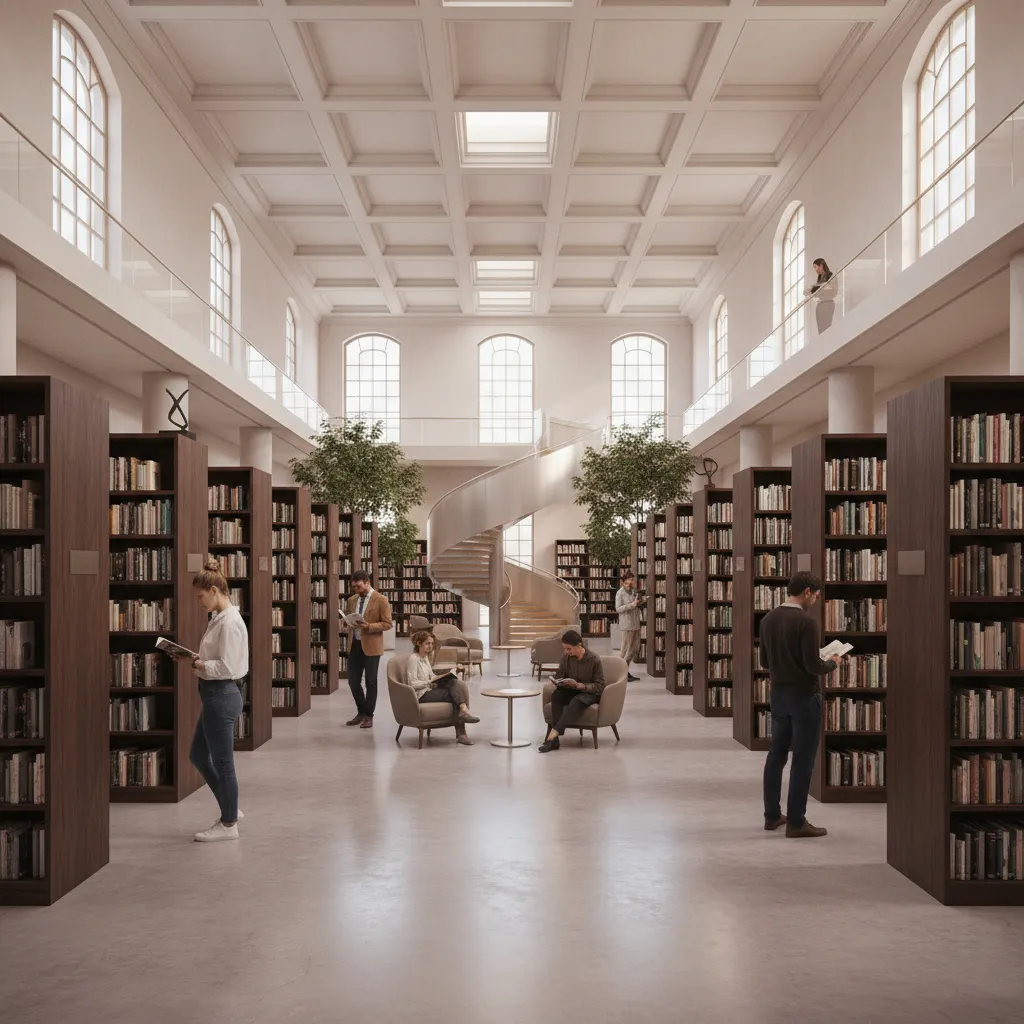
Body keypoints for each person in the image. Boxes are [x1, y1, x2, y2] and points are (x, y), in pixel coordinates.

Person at [758, 572, 842, 838]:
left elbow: (765, 662)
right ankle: (796, 821)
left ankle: (772, 816)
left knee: (776, 755)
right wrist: (832, 662)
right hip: (804, 697)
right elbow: (812, 665)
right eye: (816, 595)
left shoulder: (768, 619)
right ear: (807, 592)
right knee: (803, 760)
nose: (816, 601)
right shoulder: (807, 623)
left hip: (778, 696)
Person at [184, 556, 248, 843]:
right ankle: (229, 803)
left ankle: (229, 822)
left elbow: (228, 667)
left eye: (200, 596)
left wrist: (199, 665)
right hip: (213, 694)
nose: (199, 602)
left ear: (214, 591)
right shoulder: (218, 619)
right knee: (198, 755)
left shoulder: (230, 623)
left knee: (223, 762)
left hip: (221, 693)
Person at [538, 630, 605, 753]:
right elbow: (560, 675)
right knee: (557, 696)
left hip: (589, 693)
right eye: (565, 649)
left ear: (579, 645)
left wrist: (581, 686)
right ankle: (555, 740)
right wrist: (558, 681)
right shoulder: (566, 658)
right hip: (571, 690)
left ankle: (554, 733)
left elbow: (600, 686)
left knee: (577, 701)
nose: (566, 652)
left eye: (569, 649)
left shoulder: (594, 659)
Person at [408, 630, 479, 745]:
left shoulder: (425, 658)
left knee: (454, 682)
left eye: (431, 644)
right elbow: (412, 683)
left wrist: (447, 673)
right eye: (427, 643)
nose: (430, 646)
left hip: (429, 689)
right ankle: (462, 727)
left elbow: (432, 676)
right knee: (453, 695)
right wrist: (428, 683)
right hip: (421, 694)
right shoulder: (413, 659)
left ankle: (463, 711)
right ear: (418, 643)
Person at [343, 569, 393, 729]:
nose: (355, 590)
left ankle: (368, 716)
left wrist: (369, 626)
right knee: (353, 682)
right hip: (354, 644)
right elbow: (349, 617)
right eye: (353, 587)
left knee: (371, 681)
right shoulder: (351, 600)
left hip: (372, 646)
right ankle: (361, 711)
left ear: (367, 583)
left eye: (358, 586)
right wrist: (347, 622)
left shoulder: (381, 600)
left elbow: (387, 623)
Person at [615, 569, 645, 681]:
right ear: (624, 582)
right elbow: (618, 609)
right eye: (629, 581)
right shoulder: (620, 593)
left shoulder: (633, 591)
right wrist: (633, 604)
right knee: (625, 649)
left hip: (635, 623)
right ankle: (620, 673)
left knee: (634, 648)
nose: (631, 583)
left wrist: (641, 601)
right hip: (627, 624)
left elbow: (636, 604)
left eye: (632, 581)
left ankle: (626, 670)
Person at [805, 258, 836, 334]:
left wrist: (815, 287)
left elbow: (832, 290)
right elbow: (817, 292)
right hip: (820, 305)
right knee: (820, 328)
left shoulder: (830, 276)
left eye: (816, 267)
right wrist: (810, 291)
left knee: (826, 327)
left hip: (827, 304)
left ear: (821, 266)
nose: (815, 269)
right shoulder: (820, 278)